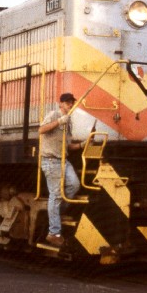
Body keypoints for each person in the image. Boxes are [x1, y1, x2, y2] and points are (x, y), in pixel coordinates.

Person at [38, 92, 83, 248]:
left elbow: (68, 145)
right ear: (61, 104)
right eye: (67, 102)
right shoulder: (54, 115)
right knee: (56, 195)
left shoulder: (68, 122)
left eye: (72, 102)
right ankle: (54, 233)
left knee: (74, 185)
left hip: (64, 160)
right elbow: (41, 130)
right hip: (51, 160)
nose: (70, 104)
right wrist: (59, 121)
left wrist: (82, 145)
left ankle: (55, 213)